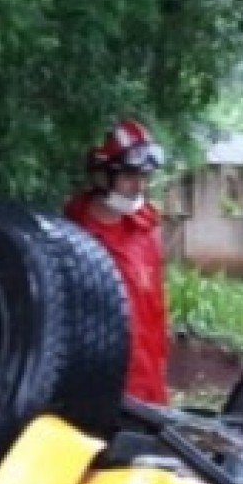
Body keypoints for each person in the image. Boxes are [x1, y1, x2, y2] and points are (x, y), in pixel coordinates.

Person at [67, 119, 170, 404]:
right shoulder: (74, 241)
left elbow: (157, 313)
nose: (139, 186)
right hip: (103, 390)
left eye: (144, 177)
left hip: (149, 386)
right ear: (101, 176)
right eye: (129, 176)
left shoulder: (145, 230)